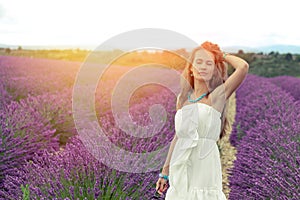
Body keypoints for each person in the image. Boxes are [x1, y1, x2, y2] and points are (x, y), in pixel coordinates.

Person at [155, 41, 249, 199]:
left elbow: (243, 67)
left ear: (214, 70)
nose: (203, 66)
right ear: (191, 67)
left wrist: (221, 56)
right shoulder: (182, 99)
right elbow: (178, 137)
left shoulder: (217, 96)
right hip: (182, 162)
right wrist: (165, 173)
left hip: (204, 163)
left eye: (208, 63)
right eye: (198, 62)